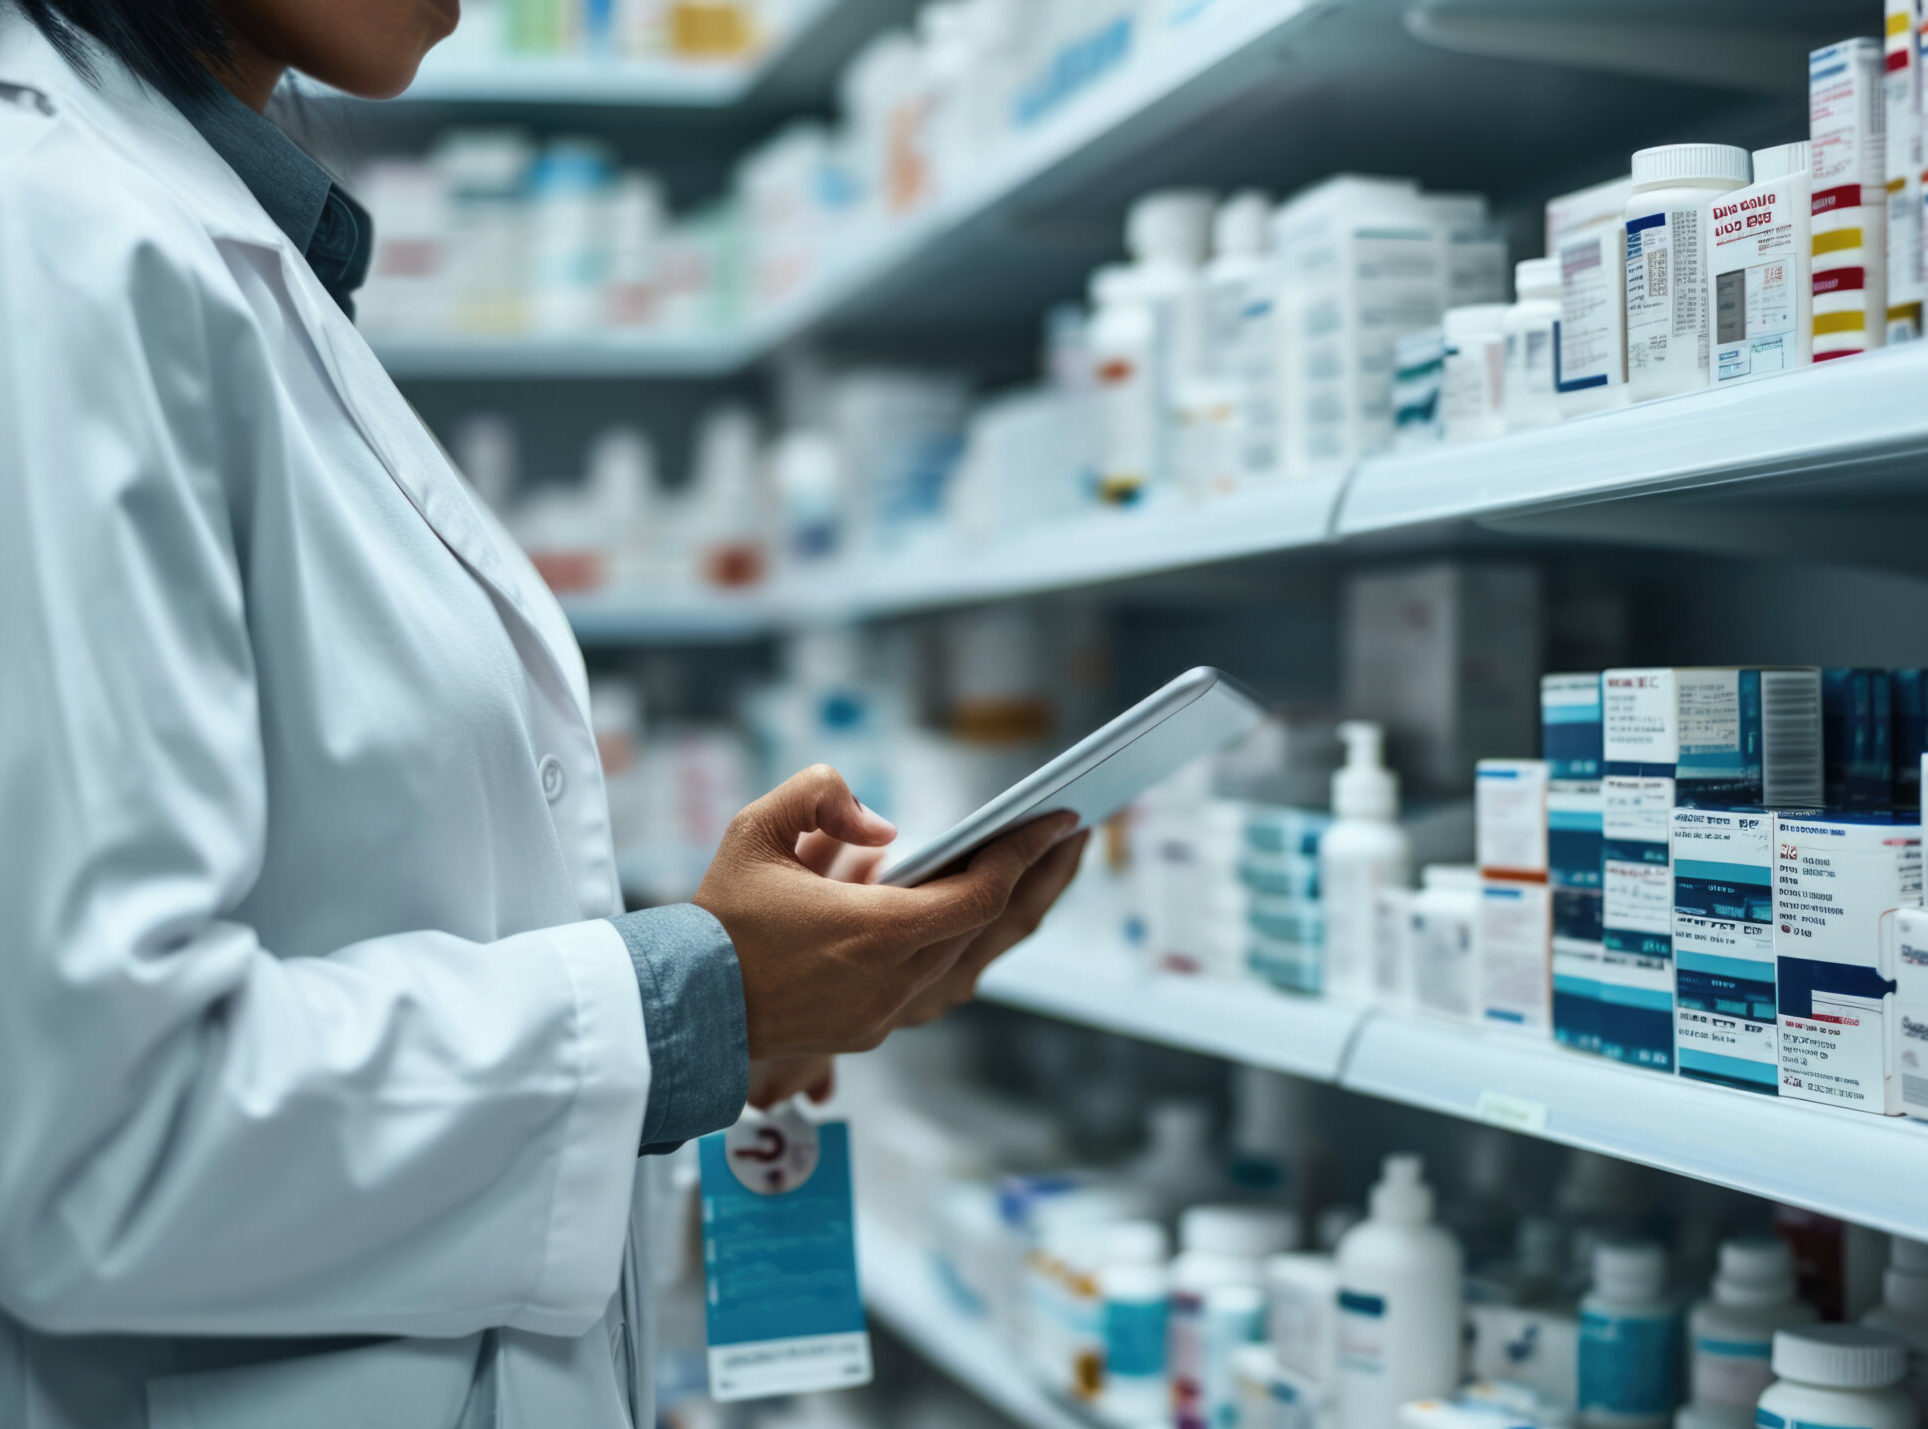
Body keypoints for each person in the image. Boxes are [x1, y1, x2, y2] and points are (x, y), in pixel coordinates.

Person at [0, 3, 1090, 1426]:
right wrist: (693, 1002)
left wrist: (746, 1019)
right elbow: (101, 1142)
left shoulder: (201, 235)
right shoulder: (53, 242)